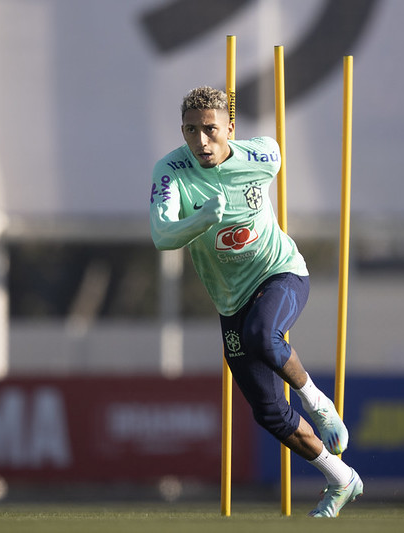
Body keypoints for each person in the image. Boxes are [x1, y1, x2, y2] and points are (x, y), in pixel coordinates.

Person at [149, 86, 362, 517]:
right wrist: (202, 218)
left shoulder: (263, 155)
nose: (202, 141)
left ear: (231, 127)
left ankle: (321, 405)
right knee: (268, 413)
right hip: (230, 300)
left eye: (211, 129)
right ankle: (341, 479)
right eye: (191, 131)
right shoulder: (171, 170)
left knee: (263, 335)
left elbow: (274, 151)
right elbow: (161, 235)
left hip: (280, 272)